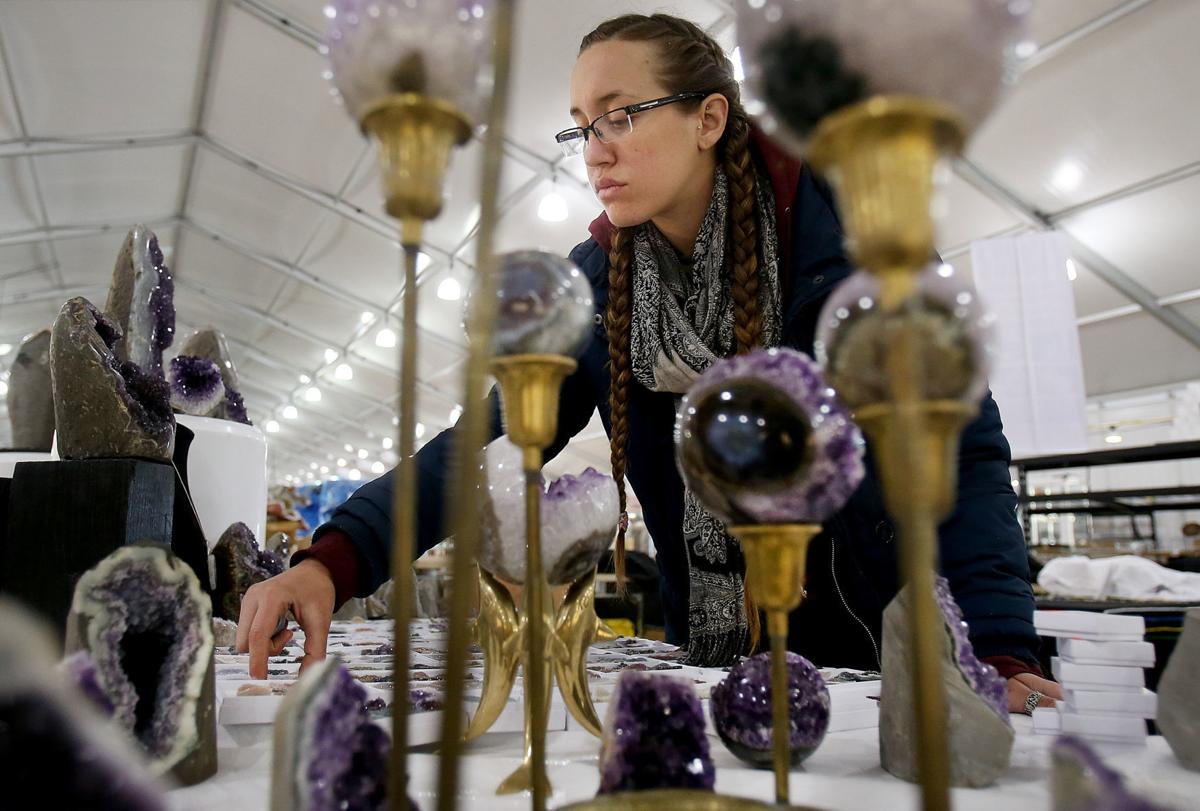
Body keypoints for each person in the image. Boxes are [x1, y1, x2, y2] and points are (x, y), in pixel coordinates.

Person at [238, 13, 1062, 714]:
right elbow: (475, 446)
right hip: (718, 666)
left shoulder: (848, 242)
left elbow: (964, 452)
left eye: (621, 114)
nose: (595, 149)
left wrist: (999, 645)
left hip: (888, 659)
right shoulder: (597, 290)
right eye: (580, 125)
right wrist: (331, 563)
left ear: (709, 119)